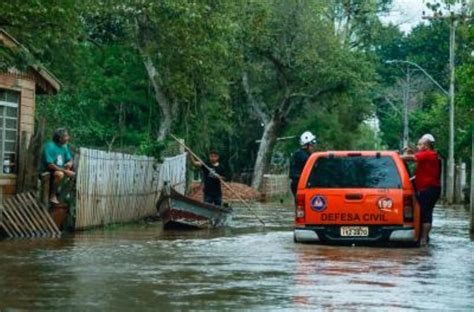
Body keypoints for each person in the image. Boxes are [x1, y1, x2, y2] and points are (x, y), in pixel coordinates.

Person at [401, 133, 441, 246]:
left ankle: (423, 240)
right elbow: (416, 156)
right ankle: (425, 238)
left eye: (419, 144)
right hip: (430, 189)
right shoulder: (429, 155)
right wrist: (410, 151)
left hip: (428, 189)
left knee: (425, 213)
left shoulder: (429, 154)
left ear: (426, 146)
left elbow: (412, 158)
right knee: (425, 212)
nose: (418, 147)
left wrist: (394, 157)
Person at [41, 128, 75, 204]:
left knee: (71, 173)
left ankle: (64, 194)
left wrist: (69, 163)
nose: (68, 138)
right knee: (59, 174)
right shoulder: (50, 146)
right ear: (60, 138)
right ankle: (52, 195)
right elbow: (50, 165)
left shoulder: (64, 147)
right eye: (66, 136)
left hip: (60, 170)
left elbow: (70, 159)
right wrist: (65, 171)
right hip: (48, 171)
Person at [290, 131, 316, 198]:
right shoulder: (303, 156)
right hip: (301, 184)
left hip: (297, 183)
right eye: (312, 144)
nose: (313, 146)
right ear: (307, 145)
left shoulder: (299, 153)